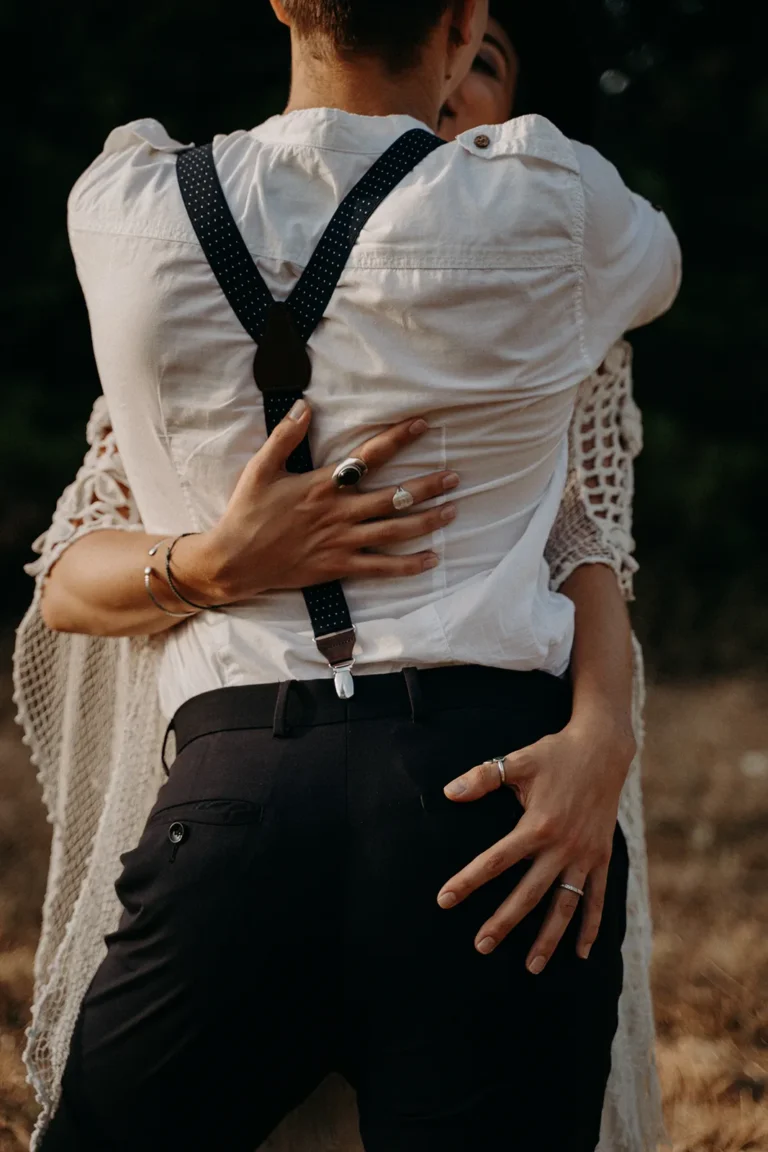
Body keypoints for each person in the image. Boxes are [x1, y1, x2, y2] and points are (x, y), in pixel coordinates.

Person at [15, 0, 680, 1149]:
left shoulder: (126, 209)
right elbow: (659, 262)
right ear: (462, 13)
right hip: (475, 793)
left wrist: (606, 729)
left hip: (242, 794)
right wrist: (214, 561)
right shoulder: (555, 208)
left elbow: (588, 544)